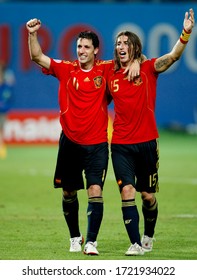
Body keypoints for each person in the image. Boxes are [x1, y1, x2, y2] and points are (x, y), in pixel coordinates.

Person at [26, 19, 138, 256]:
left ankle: (92, 242)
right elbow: (37, 57)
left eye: (87, 47)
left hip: (97, 143)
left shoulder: (106, 69)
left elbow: (129, 56)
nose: (82, 51)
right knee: (68, 192)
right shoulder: (66, 68)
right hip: (70, 142)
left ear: (96, 50)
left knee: (95, 189)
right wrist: (32, 35)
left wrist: (137, 59)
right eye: (79, 47)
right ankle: (75, 237)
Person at [107, 8, 195, 256]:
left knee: (147, 196)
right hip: (121, 144)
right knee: (127, 191)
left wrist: (185, 33)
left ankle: (148, 235)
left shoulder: (148, 68)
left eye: (125, 43)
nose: (120, 46)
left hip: (147, 143)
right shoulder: (110, 73)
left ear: (134, 47)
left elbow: (174, 55)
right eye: (118, 43)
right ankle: (135, 243)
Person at [0, 61, 15, 159]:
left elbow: (7, 102)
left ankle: (1, 147)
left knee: (1, 130)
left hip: (2, 112)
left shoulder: (6, 87)